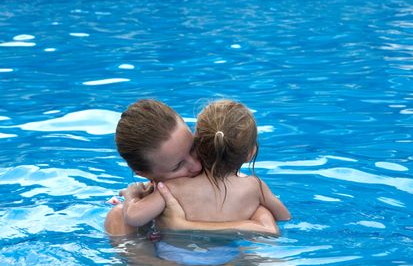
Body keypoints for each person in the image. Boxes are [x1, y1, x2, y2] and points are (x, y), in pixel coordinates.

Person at [104, 99, 283, 237]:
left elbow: (268, 229)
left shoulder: (234, 187)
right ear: (143, 174)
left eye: (193, 148)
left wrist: (181, 226)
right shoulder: (121, 217)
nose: (197, 165)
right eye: (178, 166)